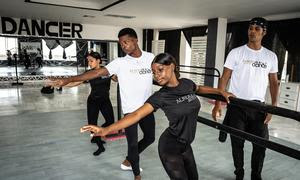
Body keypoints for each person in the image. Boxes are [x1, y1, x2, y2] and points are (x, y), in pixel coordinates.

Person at [80, 53, 233, 180]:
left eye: (160, 70)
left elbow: (199, 88)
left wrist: (220, 92)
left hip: (186, 145)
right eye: (154, 72)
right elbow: (136, 114)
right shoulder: (161, 96)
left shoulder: (186, 83)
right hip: (170, 147)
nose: (157, 76)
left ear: (172, 66)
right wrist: (106, 129)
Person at [49, 28, 155, 180]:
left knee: (150, 138)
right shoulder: (120, 62)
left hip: (147, 108)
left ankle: (128, 160)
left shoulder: (150, 57)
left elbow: (158, 73)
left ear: (135, 40)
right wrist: (69, 79)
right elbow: (96, 73)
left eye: (126, 42)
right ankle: (136, 175)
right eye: (121, 43)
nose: (123, 45)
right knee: (132, 144)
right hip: (130, 111)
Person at [212, 17, 279, 180]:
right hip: (237, 106)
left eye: (257, 29)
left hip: (259, 108)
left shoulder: (271, 56)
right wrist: (218, 104)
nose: (253, 31)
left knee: (260, 145)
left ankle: (256, 175)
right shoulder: (236, 52)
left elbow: (273, 83)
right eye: (251, 28)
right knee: (237, 143)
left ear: (264, 32)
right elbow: (224, 78)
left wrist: (273, 107)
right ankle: (239, 173)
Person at [64, 51, 115, 156]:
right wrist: (62, 84)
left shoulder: (107, 71)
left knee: (110, 122)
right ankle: (100, 145)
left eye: (91, 61)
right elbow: (76, 82)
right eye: (88, 61)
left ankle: (96, 135)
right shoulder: (89, 73)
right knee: (92, 124)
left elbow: (116, 79)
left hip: (105, 100)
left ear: (98, 61)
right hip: (93, 101)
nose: (89, 63)